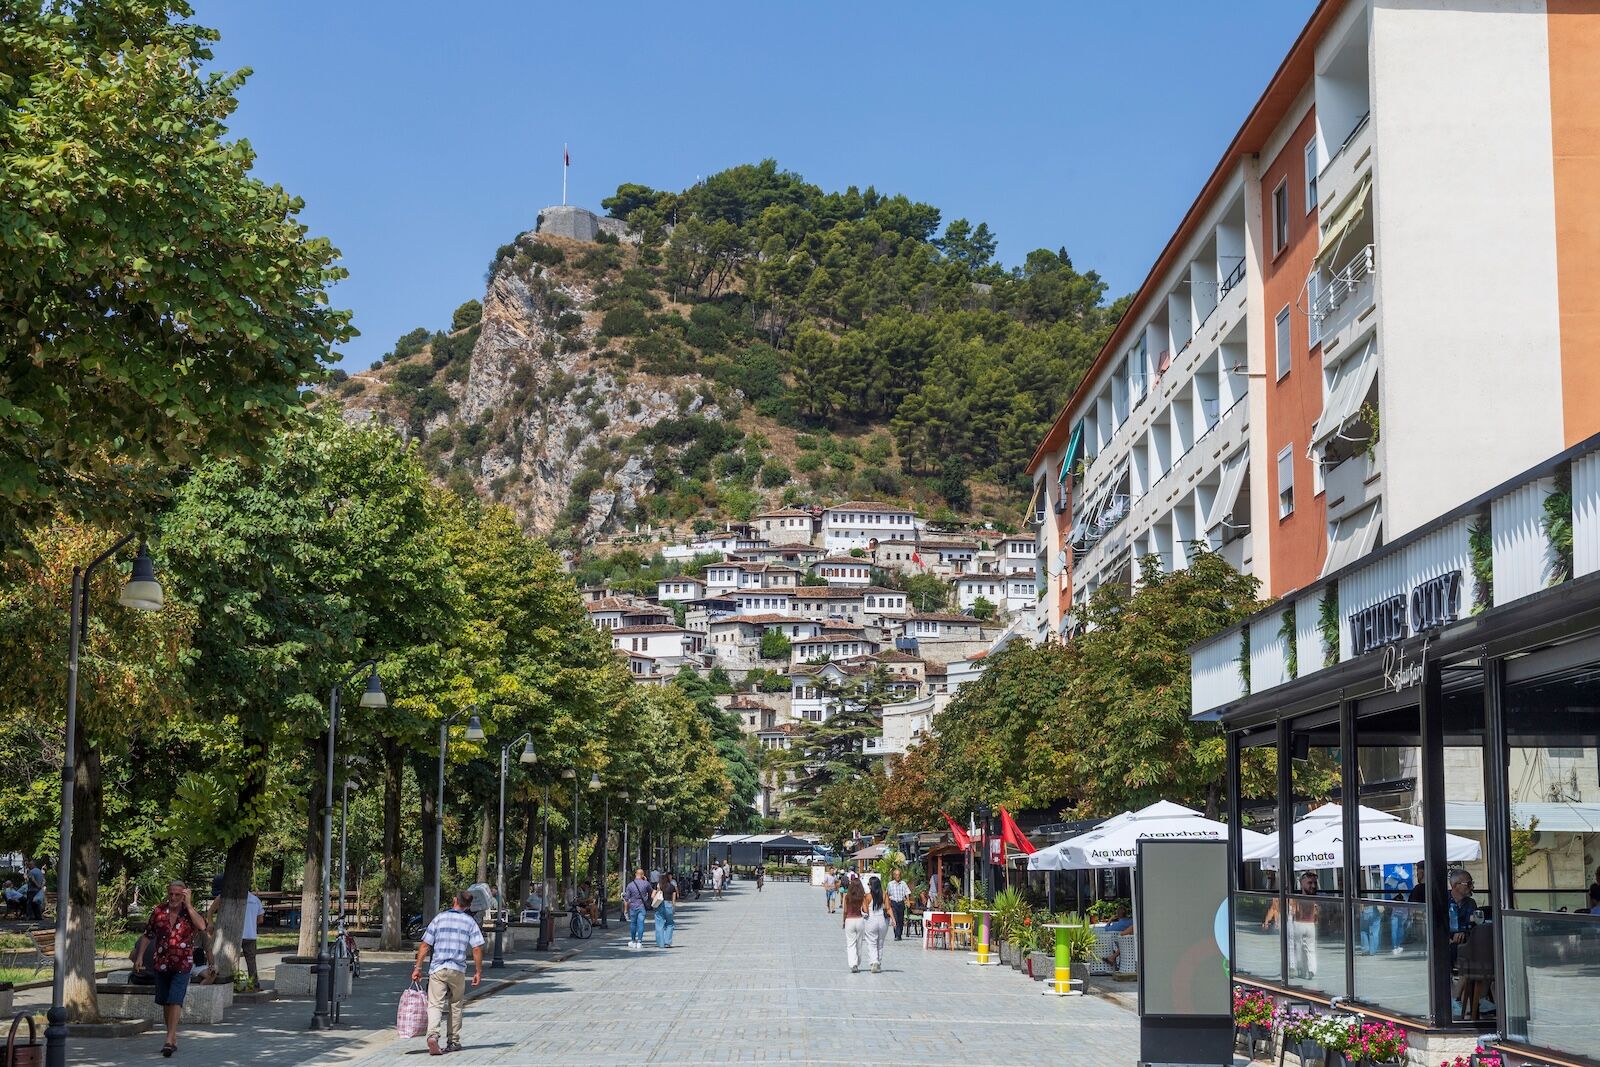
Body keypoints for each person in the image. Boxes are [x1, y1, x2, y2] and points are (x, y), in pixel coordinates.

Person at [132, 880, 209, 1058]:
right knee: (166, 1001)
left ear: (184, 895)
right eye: (171, 894)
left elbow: (202, 926)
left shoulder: (189, 912)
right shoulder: (159, 911)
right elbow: (147, 935)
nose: (173, 897)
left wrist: (188, 905)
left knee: (175, 999)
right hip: (161, 963)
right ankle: (171, 1036)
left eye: (177, 894)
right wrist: (140, 956)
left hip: (182, 964)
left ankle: (169, 1038)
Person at [410, 889, 484, 1056]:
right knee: (456, 1005)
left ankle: (433, 1036)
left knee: (435, 1004)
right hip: (458, 970)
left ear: (454, 900)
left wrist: (418, 967)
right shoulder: (469, 922)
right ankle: (453, 1041)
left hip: (438, 968)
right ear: (468, 906)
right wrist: (478, 971)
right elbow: (477, 948)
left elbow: (425, 945)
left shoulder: (439, 918)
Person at [200, 876, 264, 989]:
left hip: (232, 935)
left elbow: (210, 911)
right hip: (250, 935)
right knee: (251, 960)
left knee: (233, 959)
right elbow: (260, 920)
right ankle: (254, 984)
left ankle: (234, 982)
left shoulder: (223, 897)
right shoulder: (256, 900)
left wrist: (210, 922)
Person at [1288, 872, 1321, 980]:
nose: (1313, 886)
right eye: (1310, 883)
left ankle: (1303, 969)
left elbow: (1293, 911)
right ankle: (1311, 969)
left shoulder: (1298, 897)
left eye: (1314, 883)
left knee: (1300, 947)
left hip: (1302, 923)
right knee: (1309, 949)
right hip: (1309, 924)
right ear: (1302, 883)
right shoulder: (1314, 897)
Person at [862, 876, 890, 973]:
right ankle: (878, 962)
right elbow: (888, 908)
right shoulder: (884, 895)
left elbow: (866, 911)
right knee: (880, 943)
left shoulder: (867, 896)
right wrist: (894, 920)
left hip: (871, 920)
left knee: (871, 942)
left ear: (871, 885)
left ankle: (874, 961)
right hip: (882, 920)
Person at [841, 878, 867, 973]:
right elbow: (865, 910)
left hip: (849, 920)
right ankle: (858, 962)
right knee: (859, 943)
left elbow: (845, 911)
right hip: (859, 920)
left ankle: (853, 964)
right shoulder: (862, 897)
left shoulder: (847, 897)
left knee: (850, 943)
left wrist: (843, 922)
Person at [623, 868, 652, 950]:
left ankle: (632, 940)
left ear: (636, 874)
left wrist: (625, 910)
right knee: (641, 924)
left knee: (633, 924)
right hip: (642, 906)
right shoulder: (646, 883)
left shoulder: (630, 885)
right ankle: (639, 941)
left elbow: (626, 898)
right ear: (643, 875)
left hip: (633, 907)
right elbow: (651, 892)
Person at [653, 872, 679, 949]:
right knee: (670, 924)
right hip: (669, 905)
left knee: (659, 924)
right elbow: (674, 899)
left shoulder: (658, 886)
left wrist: (658, 891)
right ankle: (668, 942)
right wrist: (673, 908)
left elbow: (652, 896)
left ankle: (661, 943)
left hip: (659, 905)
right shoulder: (672, 887)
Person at [886, 869, 911, 941]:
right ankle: (896, 935)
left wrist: (908, 901)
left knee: (900, 919)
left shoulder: (903, 883)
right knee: (895, 919)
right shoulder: (890, 884)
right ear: (894, 876)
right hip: (893, 902)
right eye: (896, 875)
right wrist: (887, 903)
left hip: (901, 902)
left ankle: (899, 934)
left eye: (899, 875)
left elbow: (907, 892)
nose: (898, 876)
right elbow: (887, 894)